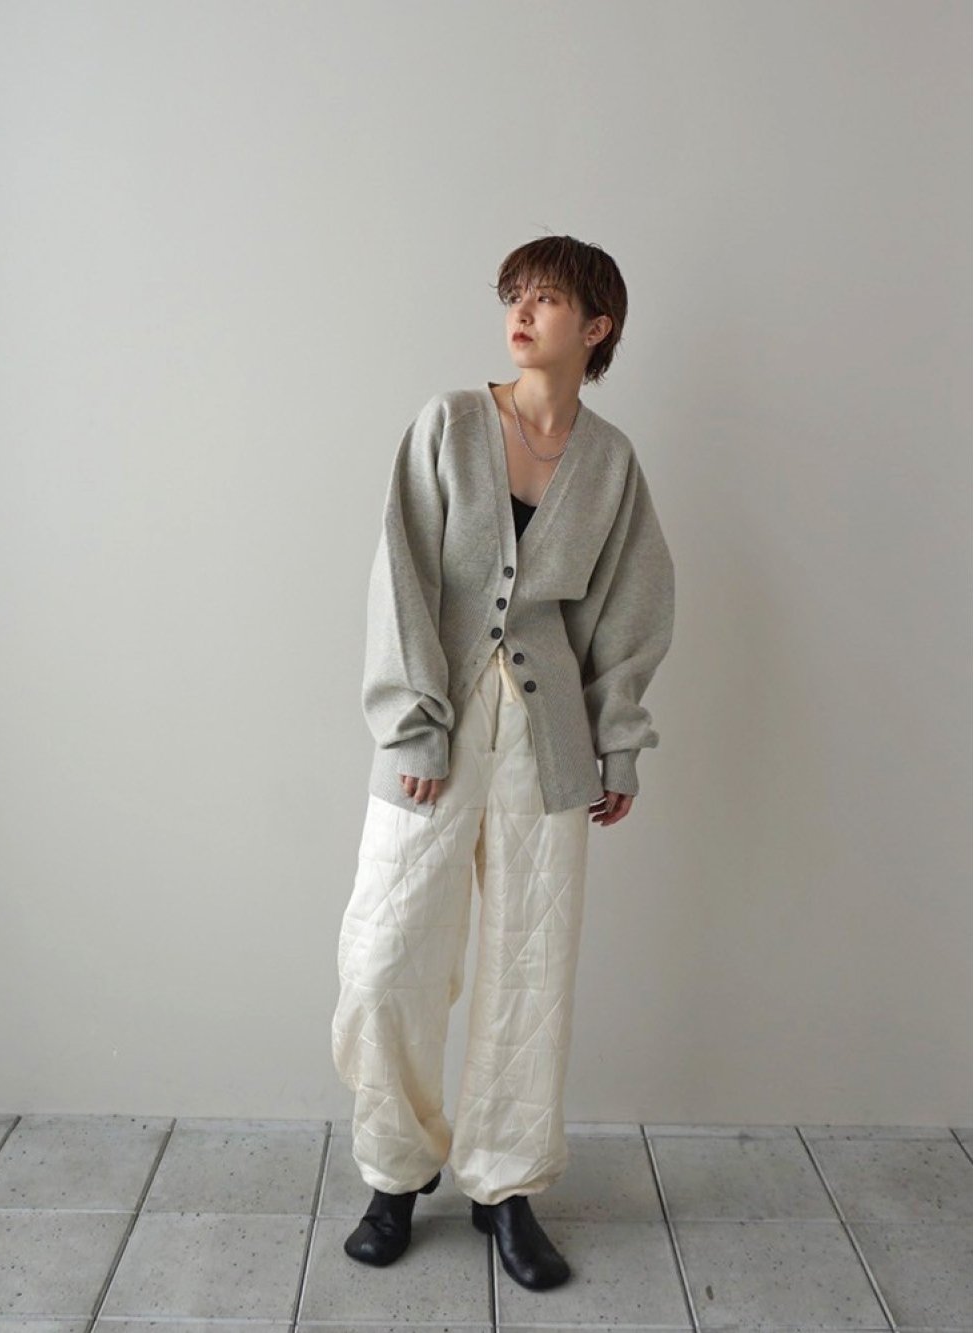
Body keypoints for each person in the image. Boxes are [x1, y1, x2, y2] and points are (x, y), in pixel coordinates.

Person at [331, 234, 675, 1291]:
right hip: (434, 735)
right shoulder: (447, 424)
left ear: (596, 326)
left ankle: (506, 1186)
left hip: (548, 742)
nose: (520, 312)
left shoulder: (610, 462)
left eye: (547, 298)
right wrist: (412, 724)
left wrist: (618, 742)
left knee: (530, 968)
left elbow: (629, 609)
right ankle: (396, 1171)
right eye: (513, 294)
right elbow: (400, 578)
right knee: (385, 959)